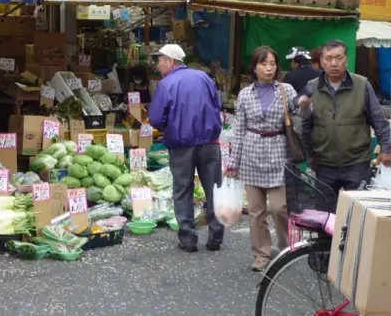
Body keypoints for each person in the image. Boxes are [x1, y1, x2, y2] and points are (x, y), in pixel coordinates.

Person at [225, 46, 309, 272]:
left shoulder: (286, 89)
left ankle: (285, 250)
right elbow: (239, 129)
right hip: (251, 153)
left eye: (272, 63)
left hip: (278, 152)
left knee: (280, 208)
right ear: (254, 67)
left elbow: (300, 117)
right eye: (264, 64)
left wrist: (303, 105)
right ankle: (261, 254)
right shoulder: (245, 94)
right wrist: (233, 162)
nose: (269, 68)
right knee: (255, 210)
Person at [148, 44, 224, 253]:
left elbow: (155, 118)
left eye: (160, 60)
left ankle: (188, 238)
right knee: (213, 188)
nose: (158, 65)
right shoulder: (203, 78)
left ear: (171, 61)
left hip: (182, 145)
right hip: (210, 143)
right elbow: (217, 104)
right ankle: (216, 237)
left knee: (183, 189)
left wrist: (169, 125)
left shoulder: (166, 84)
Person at [301, 39, 391, 208]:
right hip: (324, 164)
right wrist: (311, 154)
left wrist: (386, 149)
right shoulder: (312, 87)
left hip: (357, 163)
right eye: (328, 59)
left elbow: (379, 121)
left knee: (357, 214)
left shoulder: (362, 84)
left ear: (346, 59)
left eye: (339, 57)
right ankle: (327, 236)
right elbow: (305, 126)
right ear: (321, 62)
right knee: (324, 216)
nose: (334, 63)